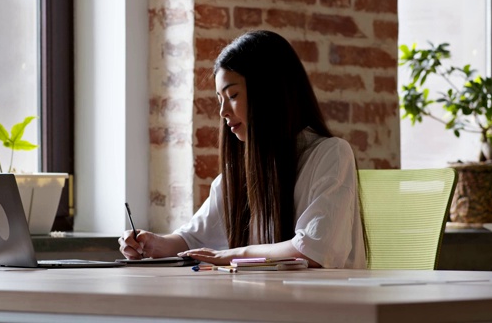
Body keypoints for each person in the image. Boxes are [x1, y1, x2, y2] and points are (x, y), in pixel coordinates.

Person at [119, 30, 366, 268]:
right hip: (265, 303)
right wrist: (151, 243)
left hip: (327, 306)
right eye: (220, 100)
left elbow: (312, 250)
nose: (223, 112)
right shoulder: (240, 173)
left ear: (269, 93)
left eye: (233, 95)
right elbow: (193, 239)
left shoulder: (330, 154)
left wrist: (232, 255)